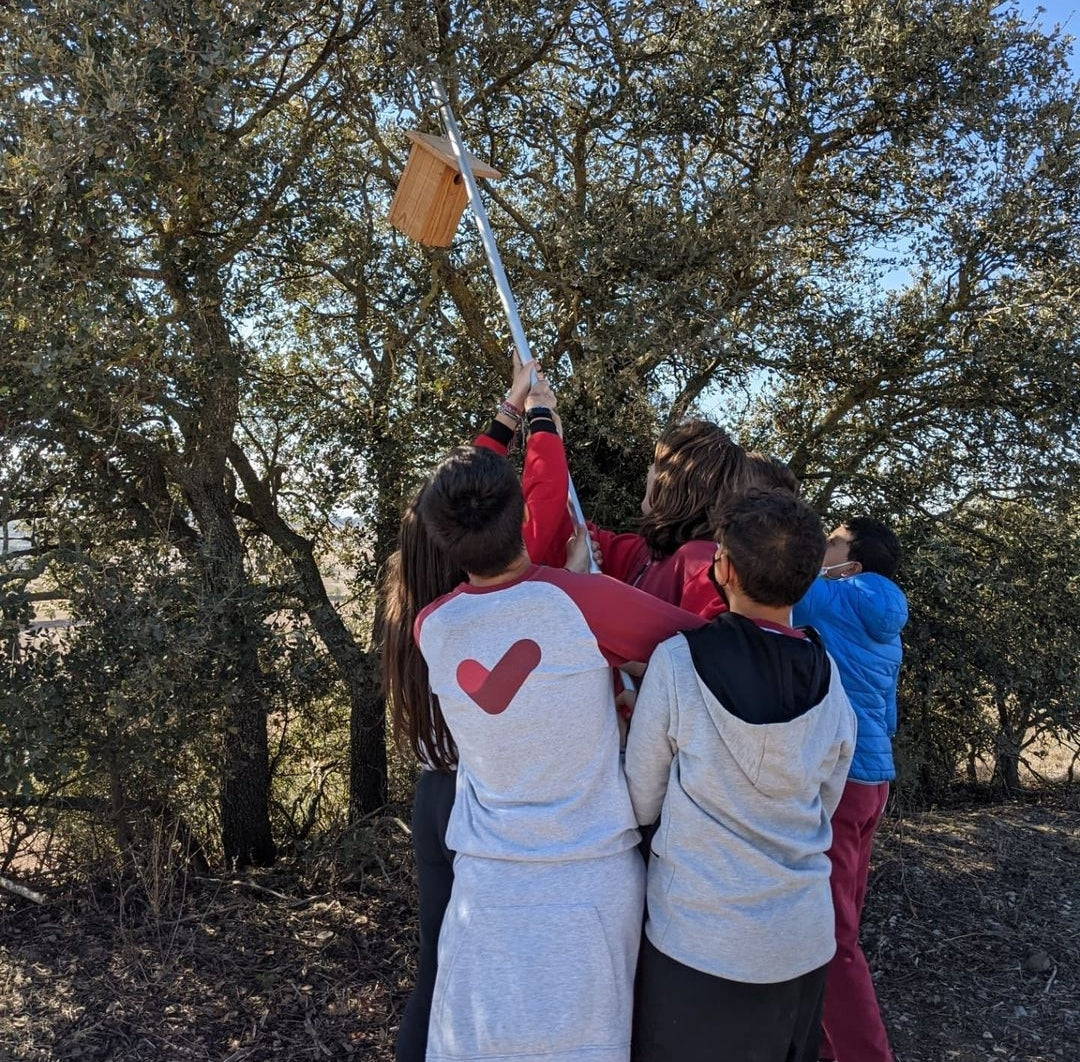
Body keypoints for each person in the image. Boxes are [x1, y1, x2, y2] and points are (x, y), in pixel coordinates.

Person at [414, 445, 704, 1062]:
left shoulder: (432, 628)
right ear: (522, 517)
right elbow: (697, 644)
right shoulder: (577, 602)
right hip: (590, 881)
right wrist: (585, 585)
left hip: (485, 887)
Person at [384, 358, 576, 1062]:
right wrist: (544, 424)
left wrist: (508, 414)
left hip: (436, 795)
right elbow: (544, 508)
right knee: (520, 975)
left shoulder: (414, 608)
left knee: (439, 962)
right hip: (491, 799)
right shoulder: (485, 615)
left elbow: (464, 498)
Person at [624, 488, 857, 1062]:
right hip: (801, 942)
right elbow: (826, 796)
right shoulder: (831, 680)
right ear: (806, 581)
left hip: (698, 942)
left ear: (722, 569)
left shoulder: (677, 662)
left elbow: (639, 801)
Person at [792, 517, 908, 1062]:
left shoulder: (833, 597)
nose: (821, 547)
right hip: (874, 782)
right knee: (846, 924)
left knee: (832, 937)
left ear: (852, 564)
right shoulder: (889, 621)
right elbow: (887, 715)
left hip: (840, 783)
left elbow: (768, 582)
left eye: (831, 540)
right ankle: (824, 1046)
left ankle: (865, 1054)